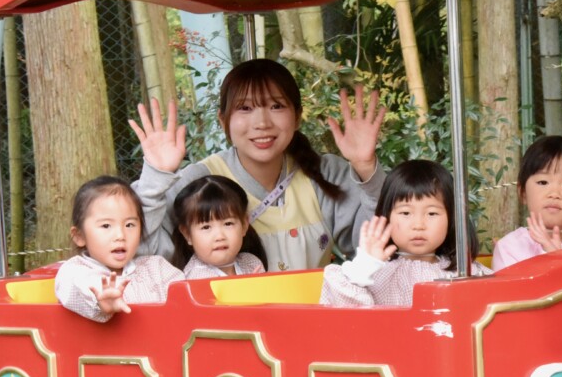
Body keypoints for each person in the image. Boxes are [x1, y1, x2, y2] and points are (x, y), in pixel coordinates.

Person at [130, 58, 386, 272]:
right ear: (223, 120)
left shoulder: (325, 173)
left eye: (276, 106)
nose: (262, 123)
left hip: (316, 314)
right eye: (245, 108)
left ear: (297, 116)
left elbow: (382, 246)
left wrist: (365, 167)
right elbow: (141, 256)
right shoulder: (201, 181)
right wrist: (155, 179)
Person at [320, 160, 492, 307]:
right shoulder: (374, 274)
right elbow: (347, 318)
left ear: (452, 217)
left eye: (432, 213)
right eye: (405, 213)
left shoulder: (468, 273)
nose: (418, 225)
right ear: (386, 215)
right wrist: (364, 267)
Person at [55, 176, 184, 322]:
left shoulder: (156, 268)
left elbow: (187, 297)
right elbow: (76, 289)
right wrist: (101, 301)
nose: (120, 235)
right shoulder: (74, 271)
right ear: (79, 236)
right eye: (106, 226)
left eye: (129, 225)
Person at [492, 135, 562, 270]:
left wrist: (556, 255)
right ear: (523, 193)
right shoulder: (510, 247)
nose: (554, 194)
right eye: (543, 182)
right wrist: (552, 256)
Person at [172, 175, 267, 280]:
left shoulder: (251, 263)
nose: (220, 236)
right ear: (187, 234)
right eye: (206, 227)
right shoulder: (195, 278)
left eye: (228, 224)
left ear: (244, 225)